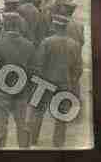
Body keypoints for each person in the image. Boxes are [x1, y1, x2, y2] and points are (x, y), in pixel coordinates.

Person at [28, 15, 83, 147]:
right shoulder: (74, 45)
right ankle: (58, 143)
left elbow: (38, 64)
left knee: (37, 112)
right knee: (61, 115)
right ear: (65, 27)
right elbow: (78, 68)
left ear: (55, 26)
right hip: (64, 83)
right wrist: (71, 80)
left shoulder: (46, 42)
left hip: (45, 81)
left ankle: (33, 140)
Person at [0, 12, 35, 148]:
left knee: (0, 123)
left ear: (5, 25)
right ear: (19, 26)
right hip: (21, 90)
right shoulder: (29, 45)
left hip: (2, 90)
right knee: (22, 123)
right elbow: (35, 70)